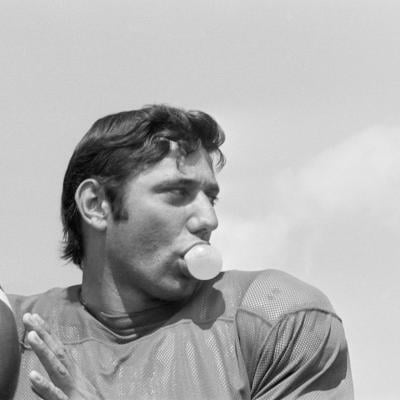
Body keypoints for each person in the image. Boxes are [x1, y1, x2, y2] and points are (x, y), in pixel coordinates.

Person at [6, 104, 353, 399]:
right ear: (96, 204)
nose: (209, 219)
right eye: (176, 193)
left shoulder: (277, 318)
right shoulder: (11, 336)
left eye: (210, 197)